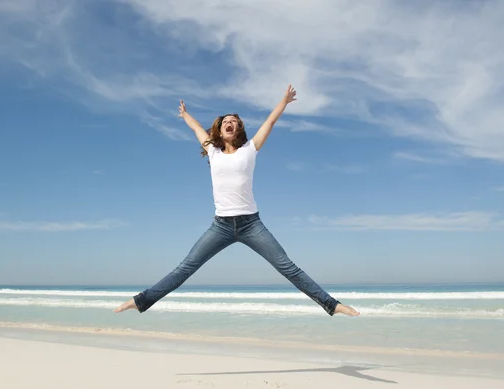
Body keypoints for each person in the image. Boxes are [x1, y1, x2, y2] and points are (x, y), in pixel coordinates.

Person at [114, 85, 360, 317]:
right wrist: (185, 115)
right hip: (220, 226)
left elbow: (270, 122)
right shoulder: (212, 150)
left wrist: (283, 102)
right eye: (225, 122)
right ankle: (140, 301)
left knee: (288, 267)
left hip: (251, 224)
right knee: (185, 268)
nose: (229, 124)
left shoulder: (250, 149)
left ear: (239, 128)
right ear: (219, 130)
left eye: (234, 121)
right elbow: (196, 128)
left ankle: (332, 305)